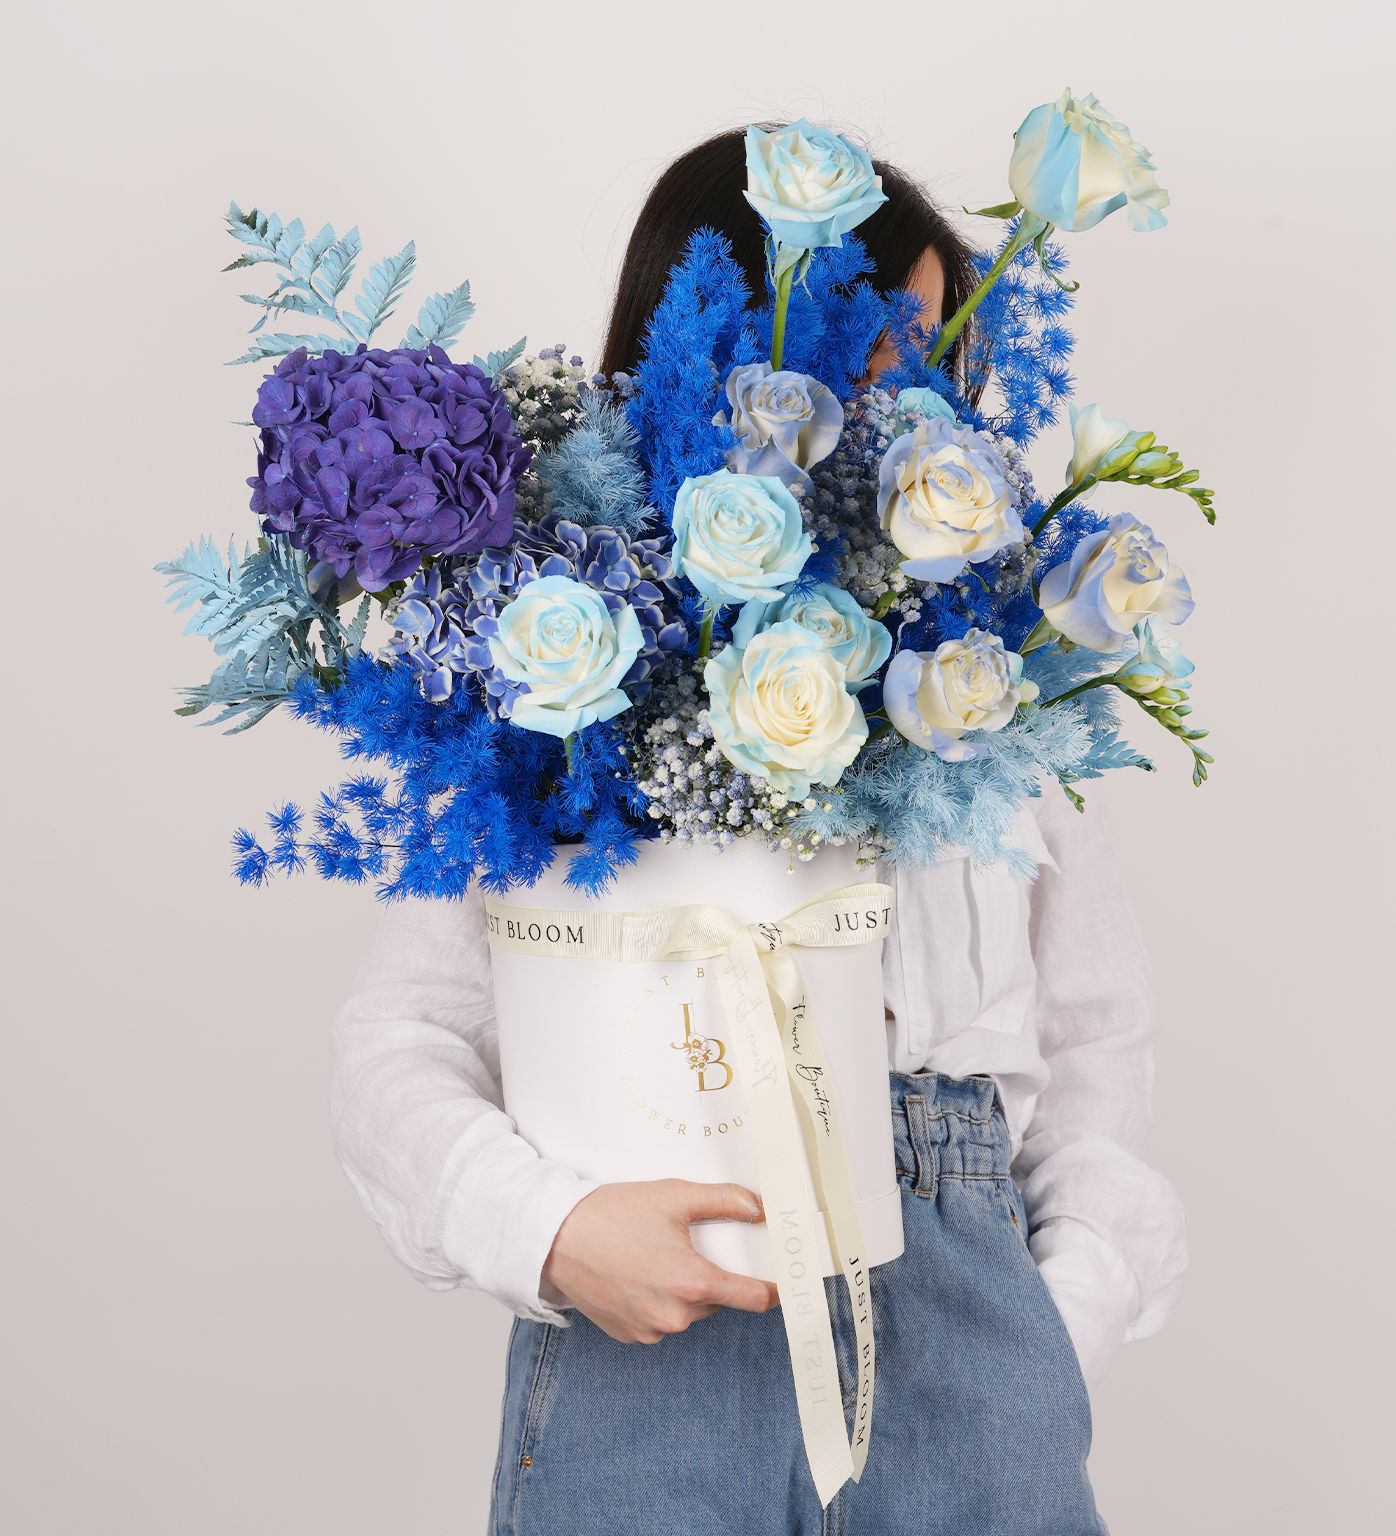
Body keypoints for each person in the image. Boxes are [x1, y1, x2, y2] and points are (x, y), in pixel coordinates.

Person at [330, 127, 1188, 1535]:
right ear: (721, 339)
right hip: (648, 1333)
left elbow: (1097, 1037)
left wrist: (1055, 1322)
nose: (903, 401)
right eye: (869, 351)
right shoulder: (548, 679)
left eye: (932, 358)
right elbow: (398, 1039)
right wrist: (547, 1228)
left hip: (966, 1323)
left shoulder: (993, 688)